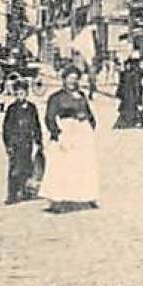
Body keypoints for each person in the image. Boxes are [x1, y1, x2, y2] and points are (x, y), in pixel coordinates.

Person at [41, 70, 99, 211]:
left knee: (83, 165)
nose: (73, 81)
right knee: (61, 166)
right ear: (64, 79)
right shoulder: (56, 97)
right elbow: (49, 118)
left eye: (75, 78)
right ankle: (58, 199)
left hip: (82, 134)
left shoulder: (82, 96)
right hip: (66, 132)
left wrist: (89, 126)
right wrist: (57, 134)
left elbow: (89, 114)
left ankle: (86, 197)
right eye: (70, 78)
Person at [2, 77, 43, 204]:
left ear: (27, 93)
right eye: (17, 94)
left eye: (22, 93)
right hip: (15, 142)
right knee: (14, 168)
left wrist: (38, 140)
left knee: (26, 166)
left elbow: (36, 125)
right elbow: (6, 127)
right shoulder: (12, 109)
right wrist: (8, 143)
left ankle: (25, 190)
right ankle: (12, 194)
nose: (20, 96)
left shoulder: (31, 108)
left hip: (27, 141)